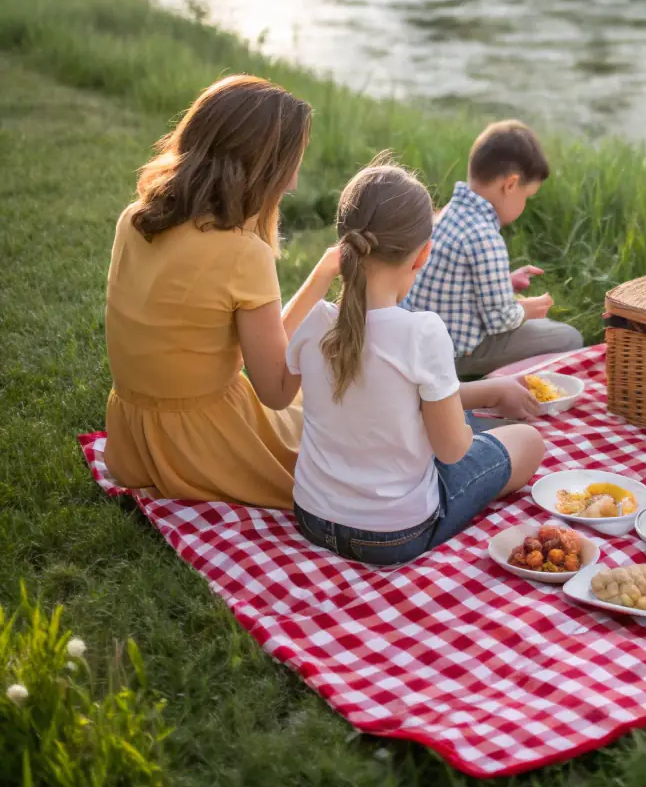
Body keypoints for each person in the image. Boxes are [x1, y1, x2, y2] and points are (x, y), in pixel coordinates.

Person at [287, 159, 545, 566]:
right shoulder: (422, 331)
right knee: (529, 442)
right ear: (422, 255)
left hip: (313, 518)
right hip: (395, 535)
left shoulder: (313, 319)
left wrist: (479, 395)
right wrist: (451, 421)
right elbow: (451, 449)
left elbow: (277, 386)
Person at [104, 74, 339, 509]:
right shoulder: (240, 253)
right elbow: (276, 390)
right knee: (347, 445)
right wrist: (328, 334)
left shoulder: (136, 219)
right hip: (205, 446)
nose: (293, 182)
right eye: (292, 163)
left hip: (134, 437)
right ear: (263, 166)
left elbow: (266, 354)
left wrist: (323, 272)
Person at [401, 120, 584, 377]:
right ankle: (492, 381)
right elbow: (501, 321)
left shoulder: (445, 215)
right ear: (510, 185)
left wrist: (504, 282)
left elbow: (455, 285)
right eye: (526, 197)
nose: (524, 206)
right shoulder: (485, 236)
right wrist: (528, 310)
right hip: (455, 355)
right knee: (568, 337)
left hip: (418, 343)